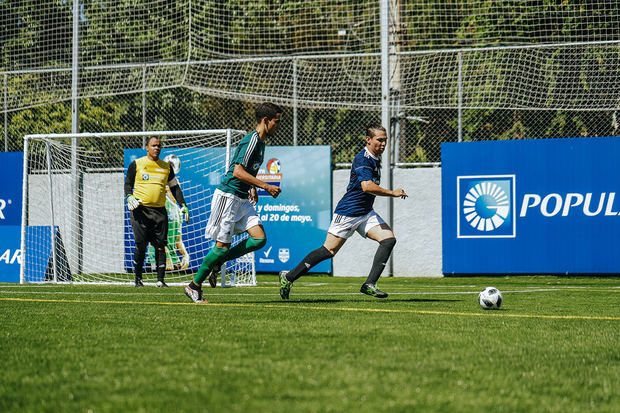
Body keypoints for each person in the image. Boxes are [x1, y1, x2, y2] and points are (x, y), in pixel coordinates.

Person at [279, 124, 407, 300]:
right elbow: (367, 186)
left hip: (365, 213)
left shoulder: (375, 158)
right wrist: (393, 193)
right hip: (348, 213)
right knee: (328, 251)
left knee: (388, 239)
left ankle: (369, 284)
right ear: (368, 140)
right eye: (380, 140)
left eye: (385, 140)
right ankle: (289, 276)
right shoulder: (362, 159)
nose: (384, 144)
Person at [184, 102, 283, 303]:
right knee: (221, 247)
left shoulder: (261, 143)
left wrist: (252, 187)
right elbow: (237, 171)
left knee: (259, 239)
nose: (278, 126)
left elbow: (246, 170)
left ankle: (218, 263)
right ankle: (194, 286)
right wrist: (265, 186)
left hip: (241, 197)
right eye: (277, 122)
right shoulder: (252, 141)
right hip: (228, 197)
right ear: (266, 120)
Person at [125, 137, 189, 287]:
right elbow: (128, 183)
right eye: (153, 146)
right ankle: (138, 280)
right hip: (140, 211)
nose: (157, 148)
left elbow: (175, 188)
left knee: (160, 245)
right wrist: (129, 196)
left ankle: (160, 280)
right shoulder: (137, 164)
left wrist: (183, 205)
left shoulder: (166, 167)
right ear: (147, 147)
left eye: (159, 146)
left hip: (160, 212)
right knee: (141, 245)